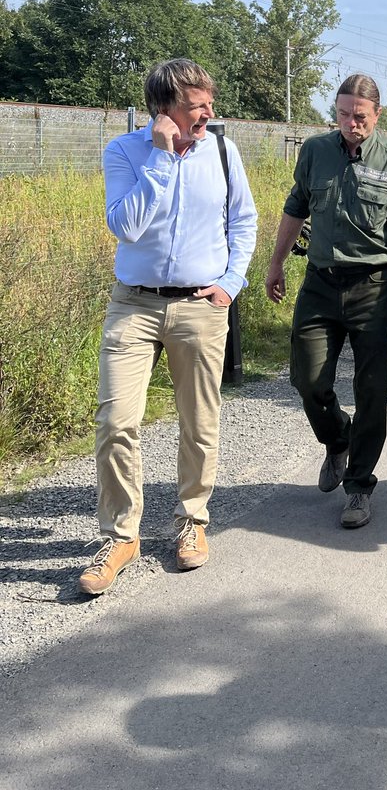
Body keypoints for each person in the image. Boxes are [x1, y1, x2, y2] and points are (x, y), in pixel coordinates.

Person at [78, 60, 258, 596]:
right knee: (115, 421)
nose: (207, 114)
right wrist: (160, 157)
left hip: (201, 306)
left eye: (208, 103)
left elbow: (242, 220)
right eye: (195, 106)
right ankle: (121, 536)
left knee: (199, 422)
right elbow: (126, 225)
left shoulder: (224, 152)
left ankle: (192, 521)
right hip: (132, 304)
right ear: (164, 109)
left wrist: (231, 282)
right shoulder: (126, 152)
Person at [265, 73, 387, 530]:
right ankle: (337, 439)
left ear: (377, 115)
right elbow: (296, 207)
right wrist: (276, 263)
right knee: (308, 378)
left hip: (373, 287)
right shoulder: (315, 151)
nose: (350, 123)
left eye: (359, 116)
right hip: (319, 283)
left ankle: (358, 487)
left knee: (371, 391)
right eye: (342, 114)